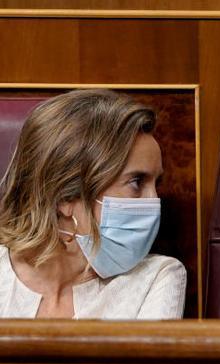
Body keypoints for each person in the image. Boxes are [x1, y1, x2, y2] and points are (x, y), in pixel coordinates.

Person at [0, 89, 186, 319]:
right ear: (65, 197)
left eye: (157, 183)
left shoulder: (157, 277)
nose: (155, 202)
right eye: (137, 182)